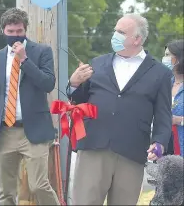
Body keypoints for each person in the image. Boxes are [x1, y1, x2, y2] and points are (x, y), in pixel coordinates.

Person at [66, 13, 173, 205]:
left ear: (137, 39)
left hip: (131, 152)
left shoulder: (160, 73)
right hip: (93, 146)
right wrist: (73, 84)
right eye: (115, 30)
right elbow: (79, 100)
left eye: (121, 32)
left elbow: (163, 115)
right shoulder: (98, 63)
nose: (114, 35)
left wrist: (159, 142)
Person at [0, 8, 60, 205]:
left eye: (19, 31)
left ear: (25, 30)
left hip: (34, 131)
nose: (15, 35)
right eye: (11, 31)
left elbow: (48, 83)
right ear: (3, 31)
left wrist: (24, 60)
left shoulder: (41, 52)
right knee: (5, 190)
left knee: (39, 185)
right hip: (5, 131)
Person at [162, 39, 184, 157]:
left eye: (167, 55)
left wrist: (179, 120)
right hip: (165, 150)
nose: (164, 59)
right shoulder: (165, 84)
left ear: (179, 58)